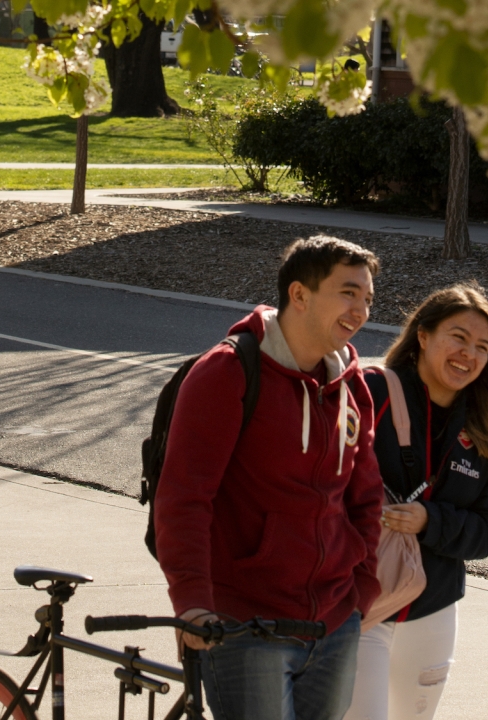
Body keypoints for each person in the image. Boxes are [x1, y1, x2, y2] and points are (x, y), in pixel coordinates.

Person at [154, 236, 386, 720]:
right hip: (245, 623)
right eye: (348, 293)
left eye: (367, 298)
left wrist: (359, 592)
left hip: (334, 622)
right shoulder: (228, 371)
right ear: (299, 295)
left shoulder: (352, 384)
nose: (361, 309)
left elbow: (364, 498)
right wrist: (193, 601)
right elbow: (183, 498)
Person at [344, 283, 488, 720]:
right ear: (423, 336)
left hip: (432, 609)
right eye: (459, 337)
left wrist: (431, 521)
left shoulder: (487, 429)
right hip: (359, 602)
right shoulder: (370, 393)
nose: (468, 354)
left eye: (482, 347)